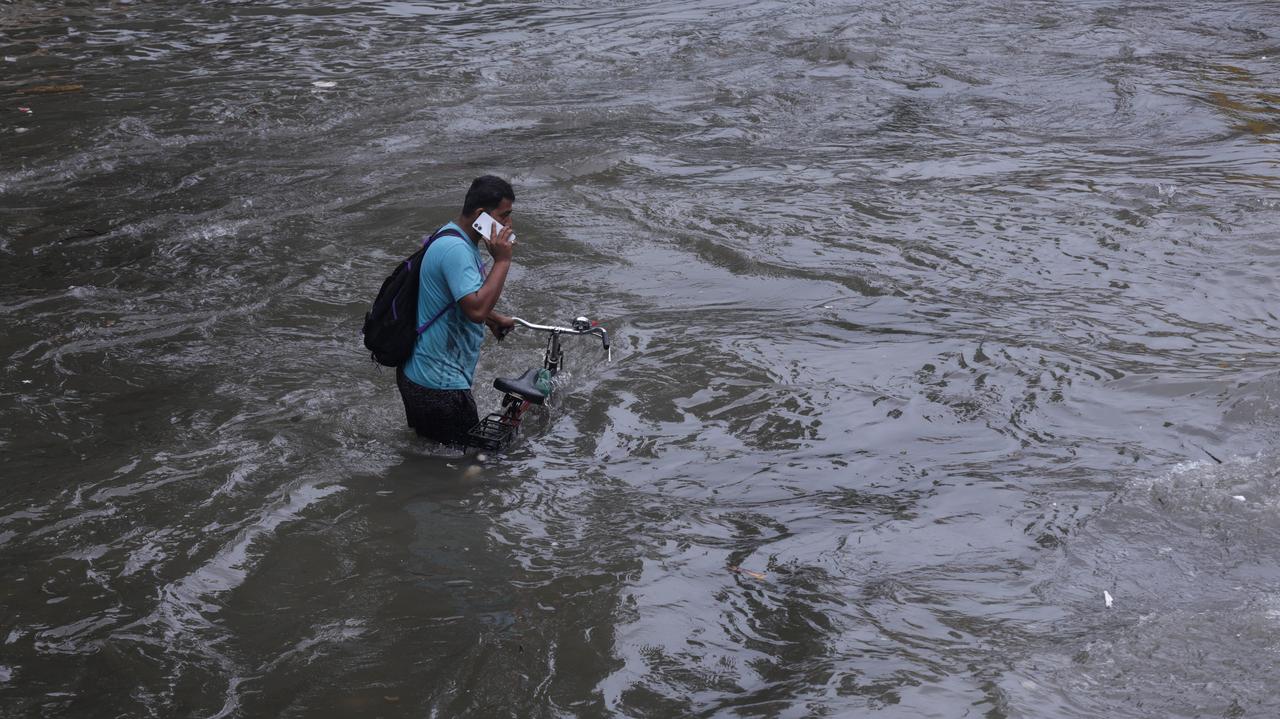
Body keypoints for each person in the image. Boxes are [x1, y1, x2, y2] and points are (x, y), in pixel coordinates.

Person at [396, 175, 517, 446]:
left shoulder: (450, 235)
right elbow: (475, 310)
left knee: (434, 456)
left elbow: (454, 300)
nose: (508, 225)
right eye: (504, 216)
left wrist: (492, 318)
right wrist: (503, 261)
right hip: (440, 388)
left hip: (418, 376)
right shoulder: (457, 250)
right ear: (480, 215)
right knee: (474, 465)